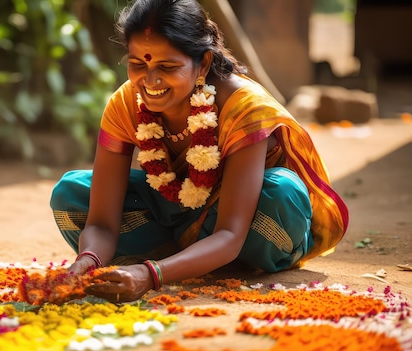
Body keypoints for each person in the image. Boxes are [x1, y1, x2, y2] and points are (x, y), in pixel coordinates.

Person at [50, 0, 348, 303]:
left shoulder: (244, 107)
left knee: (282, 193)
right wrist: (86, 261)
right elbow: (101, 223)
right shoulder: (126, 103)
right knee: (71, 196)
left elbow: (231, 234)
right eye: (138, 64)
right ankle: (183, 258)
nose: (150, 80)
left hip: (241, 229)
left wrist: (151, 275)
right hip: (171, 216)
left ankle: (181, 262)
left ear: (203, 63)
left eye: (167, 67)